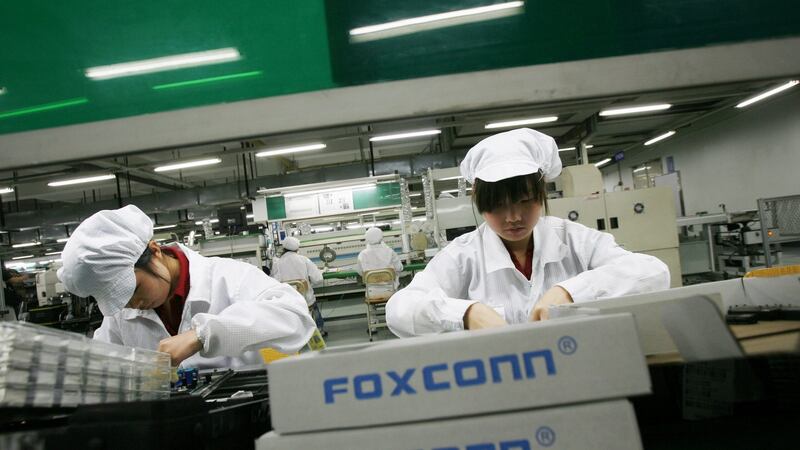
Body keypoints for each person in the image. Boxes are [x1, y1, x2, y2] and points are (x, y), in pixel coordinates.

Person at [386, 128, 670, 338]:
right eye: (497, 207)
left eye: (524, 201)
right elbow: (399, 309)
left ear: (542, 192)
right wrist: (466, 313)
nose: (512, 218)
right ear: (479, 204)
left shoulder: (573, 239)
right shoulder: (463, 256)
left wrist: (569, 292)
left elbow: (653, 273)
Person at [57, 205, 316, 368]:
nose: (131, 305)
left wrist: (203, 335)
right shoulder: (120, 318)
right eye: (117, 299)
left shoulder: (228, 278)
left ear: (154, 251)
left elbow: (296, 317)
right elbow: (101, 364)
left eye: (132, 289)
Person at [271, 237, 326, 335]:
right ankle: (318, 330)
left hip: (288, 301)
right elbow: (318, 279)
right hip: (306, 300)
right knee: (312, 305)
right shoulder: (304, 260)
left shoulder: (277, 263)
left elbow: (276, 282)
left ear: (284, 249)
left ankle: (296, 334)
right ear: (297, 249)